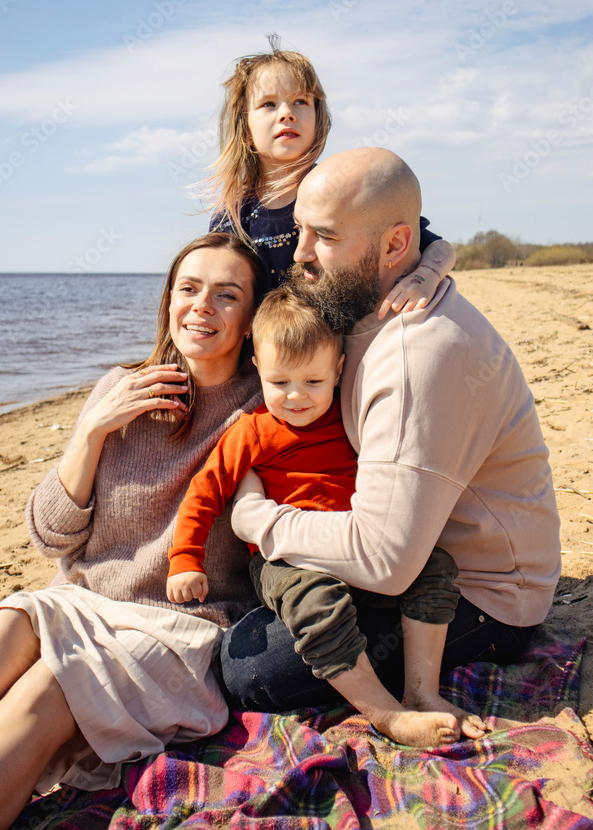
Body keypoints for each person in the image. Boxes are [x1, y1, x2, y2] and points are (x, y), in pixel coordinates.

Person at [223, 148, 562, 717]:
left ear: (394, 246)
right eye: (300, 230)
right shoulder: (359, 305)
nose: (300, 254)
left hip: (486, 596)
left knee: (246, 667)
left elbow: (385, 560)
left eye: (324, 236)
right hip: (421, 551)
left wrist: (258, 521)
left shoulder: (416, 356)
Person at [0, 232, 266, 830]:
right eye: (189, 288)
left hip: (180, 632)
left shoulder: (268, 409)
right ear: (169, 299)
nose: (202, 306)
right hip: (82, 602)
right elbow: (50, 537)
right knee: (2, 629)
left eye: (227, 296)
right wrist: (90, 432)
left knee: (44, 691)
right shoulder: (121, 387)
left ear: (250, 320)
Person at [167, 286, 484, 746]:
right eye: (280, 383)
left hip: (356, 547)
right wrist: (185, 559)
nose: (296, 397)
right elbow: (204, 492)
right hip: (284, 562)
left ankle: (422, 692)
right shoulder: (252, 431)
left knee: (434, 567)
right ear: (258, 367)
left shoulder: (350, 415)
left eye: (312, 382)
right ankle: (385, 713)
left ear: (338, 370)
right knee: (316, 604)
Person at [206, 37, 456, 311]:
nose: (287, 114)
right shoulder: (231, 215)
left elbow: (438, 247)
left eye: (300, 101)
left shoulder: (339, 190)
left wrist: (425, 277)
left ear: (318, 117)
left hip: (337, 348)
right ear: (244, 126)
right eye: (268, 104)